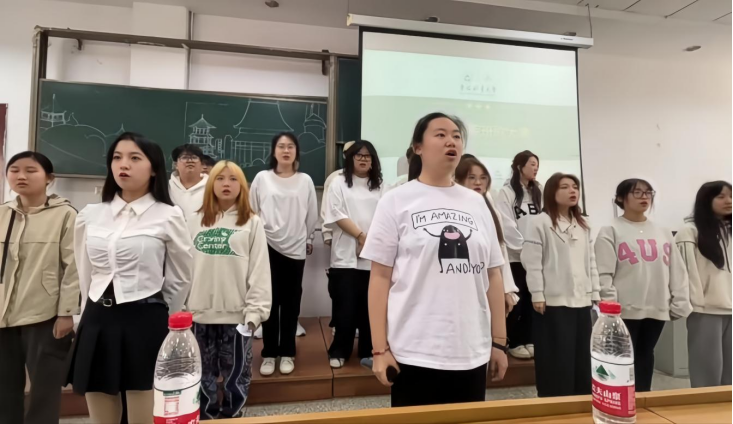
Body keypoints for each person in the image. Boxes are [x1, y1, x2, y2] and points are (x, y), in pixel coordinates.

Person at [363, 113, 508, 408]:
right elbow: (379, 278)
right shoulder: (396, 200)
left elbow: (493, 274)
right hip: (414, 351)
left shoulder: (477, 203)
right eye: (440, 135)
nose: (450, 141)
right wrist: (379, 349)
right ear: (418, 147)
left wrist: (499, 342)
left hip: (471, 350)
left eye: (456, 136)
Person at [67, 132, 193, 424]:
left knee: (142, 415)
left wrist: (168, 321)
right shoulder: (91, 214)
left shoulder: (168, 215)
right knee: (101, 414)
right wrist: (83, 315)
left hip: (145, 319)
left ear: (154, 168)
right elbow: (85, 271)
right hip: (97, 319)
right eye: (117, 157)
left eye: (135, 158)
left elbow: (180, 277)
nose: (123, 164)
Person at [187, 161, 272, 420]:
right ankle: (207, 416)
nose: (226, 184)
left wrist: (255, 313)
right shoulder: (193, 220)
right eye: (220, 178)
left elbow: (259, 270)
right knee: (202, 376)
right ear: (210, 183)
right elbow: (182, 269)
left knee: (237, 375)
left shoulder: (252, 222)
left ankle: (232, 416)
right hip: (198, 315)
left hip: (237, 316)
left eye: (233, 179)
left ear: (242, 186)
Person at [0, 152, 79, 424]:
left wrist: (66, 313)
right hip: (3, 316)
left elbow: (74, 268)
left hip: (45, 316)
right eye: (14, 170)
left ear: (49, 178)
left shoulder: (66, 215)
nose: (21, 176)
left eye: (30, 170)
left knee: (44, 391)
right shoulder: (2, 213)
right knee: (4, 390)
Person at [595, 179, 692, 392]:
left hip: (656, 306)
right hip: (624, 310)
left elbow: (676, 269)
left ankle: (643, 399)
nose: (644, 197)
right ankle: (621, 401)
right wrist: (610, 305)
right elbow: (603, 273)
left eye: (648, 192)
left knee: (646, 354)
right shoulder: (610, 230)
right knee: (622, 358)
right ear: (621, 198)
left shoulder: (662, 231)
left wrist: (680, 300)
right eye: (637, 192)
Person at [521, 173, 599, 398]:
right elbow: (532, 262)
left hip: (581, 300)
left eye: (575, 187)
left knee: (581, 357)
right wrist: (537, 293)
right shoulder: (539, 222)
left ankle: (581, 399)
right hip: (552, 302)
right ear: (551, 192)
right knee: (556, 357)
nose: (572, 191)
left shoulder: (583, 224)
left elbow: (591, 260)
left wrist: (595, 291)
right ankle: (554, 401)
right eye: (565, 187)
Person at [250, 132, 318, 376]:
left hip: (296, 247)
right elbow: (252, 211)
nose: (286, 150)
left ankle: (288, 352)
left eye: (290, 146)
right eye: (281, 146)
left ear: (296, 151)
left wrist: (308, 238)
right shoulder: (262, 178)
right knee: (269, 302)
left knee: (291, 303)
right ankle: (269, 353)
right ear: (274, 151)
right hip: (266, 245)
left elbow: (311, 213)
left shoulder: (305, 180)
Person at [324, 140, 383, 370]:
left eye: (368, 156)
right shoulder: (338, 182)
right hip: (345, 254)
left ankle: (368, 350)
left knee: (370, 307)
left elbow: (386, 216)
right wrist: (360, 236)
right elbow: (336, 213)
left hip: (374, 254)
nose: (363, 159)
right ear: (350, 159)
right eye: (359, 155)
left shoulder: (381, 186)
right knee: (344, 307)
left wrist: (369, 240)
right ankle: (340, 350)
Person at [676, 181, 732, 388]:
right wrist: (694, 303)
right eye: (721, 196)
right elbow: (685, 273)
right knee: (707, 373)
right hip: (705, 310)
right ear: (706, 200)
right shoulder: (689, 232)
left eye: (731, 196)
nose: (728, 201)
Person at [455, 156, 520, 316]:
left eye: (483, 178)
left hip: (488, 282)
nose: (478, 182)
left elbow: (501, 252)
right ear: (458, 180)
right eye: (472, 177)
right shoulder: (452, 210)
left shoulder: (492, 212)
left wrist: (507, 289)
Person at [497, 150, 543, 359]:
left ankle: (530, 338)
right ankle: (514, 341)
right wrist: (524, 249)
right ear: (519, 166)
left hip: (537, 257)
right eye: (531, 164)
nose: (535, 168)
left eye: (537, 164)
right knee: (519, 299)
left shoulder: (539, 191)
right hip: (516, 257)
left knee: (534, 298)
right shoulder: (506, 192)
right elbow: (506, 224)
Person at [321, 141, 356, 246]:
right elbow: (326, 207)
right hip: (340, 234)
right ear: (344, 155)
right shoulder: (334, 178)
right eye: (350, 153)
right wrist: (327, 234)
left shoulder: (372, 180)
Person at [170, 144, 208, 219]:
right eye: (184, 158)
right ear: (175, 164)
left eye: (194, 157)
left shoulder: (212, 186)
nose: (190, 161)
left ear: (202, 164)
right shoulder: (166, 187)